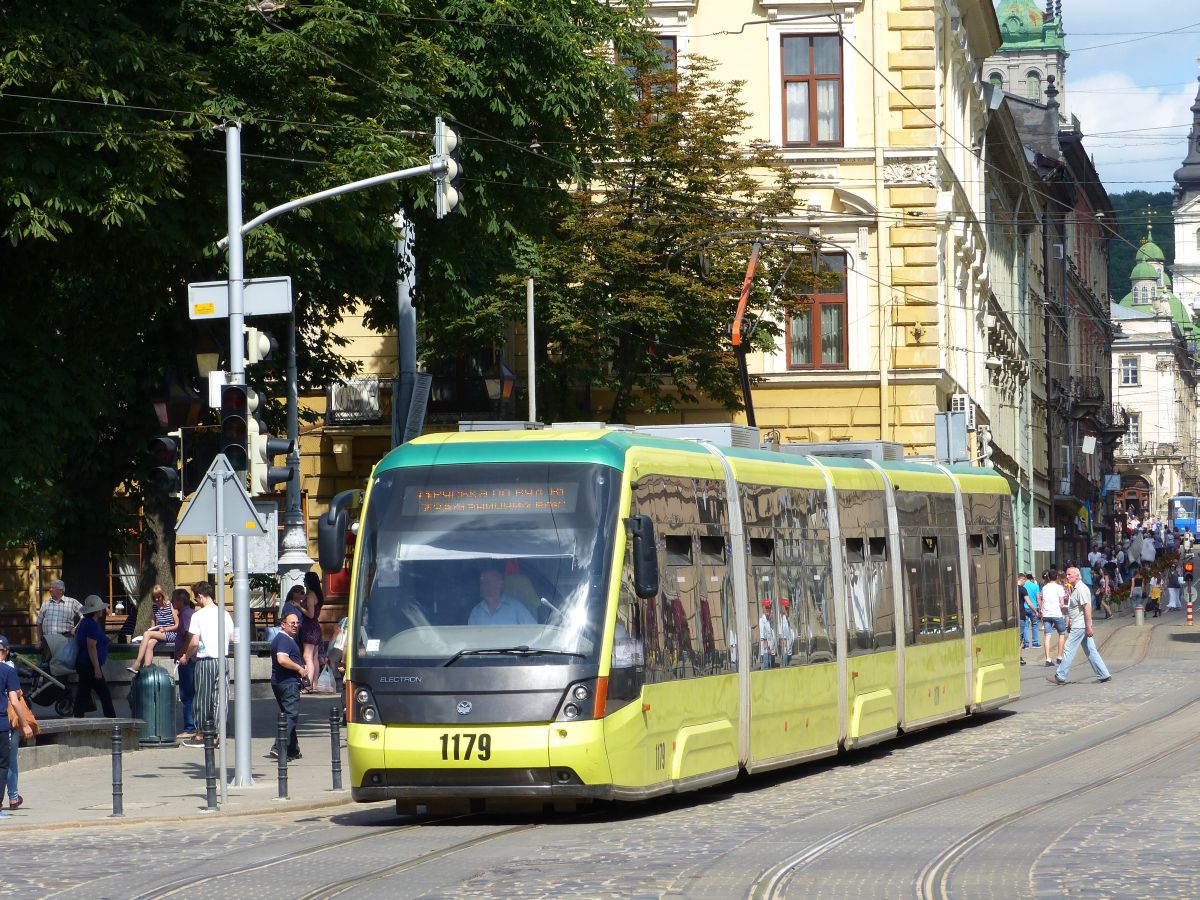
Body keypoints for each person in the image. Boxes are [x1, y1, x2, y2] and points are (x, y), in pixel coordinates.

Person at [178, 582, 235, 747]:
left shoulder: (198, 616)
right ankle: (219, 733)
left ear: (201, 596)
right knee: (220, 698)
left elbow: (194, 642)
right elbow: (232, 637)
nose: (196, 601)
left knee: (202, 698)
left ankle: (201, 734)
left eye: (196, 597)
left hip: (206, 660)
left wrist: (186, 657)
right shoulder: (224, 614)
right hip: (222, 660)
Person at [1051, 566, 1111, 685]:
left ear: (1077, 576)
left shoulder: (1081, 589)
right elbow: (1076, 609)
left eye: (1070, 575)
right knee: (1091, 650)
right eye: (1067, 574)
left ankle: (1060, 675)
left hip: (1080, 625)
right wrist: (1070, 623)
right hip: (1078, 624)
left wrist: (1089, 626)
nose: (1067, 577)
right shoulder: (1075, 589)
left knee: (1068, 648)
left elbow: (1086, 608)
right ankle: (1104, 674)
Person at [0, 636, 33, 812]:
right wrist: (24, 723)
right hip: (8, 721)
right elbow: (15, 696)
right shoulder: (9, 668)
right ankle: (13, 797)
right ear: (6, 651)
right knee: (9, 761)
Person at [267, 611, 305, 761]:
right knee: (291, 715)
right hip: (287, 683)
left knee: (288, 714)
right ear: (283, 625)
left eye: (297, 623)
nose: (295, 626)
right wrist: (299, 668)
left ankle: (292, 749)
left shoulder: (285, 639)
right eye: (292, 623)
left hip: (281, 682)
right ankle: (278, 748)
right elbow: (282, 659)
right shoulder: (284, 639)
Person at [73, 595, 117, 718]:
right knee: (104, 694)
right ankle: (112, 719)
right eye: (101, 608)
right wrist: (97, 667)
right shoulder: (92, 625)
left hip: (83, 662)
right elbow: (91, 646)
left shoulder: (84, 622)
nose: (103, 610)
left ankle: (77, 717)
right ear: (97, 611)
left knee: (83, 692)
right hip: (90, 664)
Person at [127, 584, 179, 676]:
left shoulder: (170, 606)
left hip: (171, 633)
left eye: (159, 597)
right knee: (150, 643)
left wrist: (165, 629)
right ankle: (147, 669)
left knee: (146, 634)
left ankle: (137, 663)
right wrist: (153, 629)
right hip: (159, 632)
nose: (157, 600)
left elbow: (177, 625)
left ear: (163, 595)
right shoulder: (154, 607)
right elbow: (153, 623)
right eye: (155, 598)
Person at [468, 561, 536, 626]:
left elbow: (534, 631)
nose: (483, 585)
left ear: (499, 584)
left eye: (487, 582)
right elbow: (470, 637)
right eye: (482, 582)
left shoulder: (516, 608)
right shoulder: (476, 612)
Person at [171, 588, 197, 739]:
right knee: (190, 693)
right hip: (189, 659)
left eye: (174, 600)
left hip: (187, 661)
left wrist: (182, 653)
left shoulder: (186, 614)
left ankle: (190, 727)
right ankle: (192, 725)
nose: (172, 603)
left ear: (181, 601)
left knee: (187, 694)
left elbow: (190, 636)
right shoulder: (186, 614)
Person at [35, 579, 82, 663]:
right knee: (47, 665)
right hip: (48, 641)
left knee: (64, 665)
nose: (50, 589)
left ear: (60, 591)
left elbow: (85, 615)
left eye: (53, 588)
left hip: (65, 640)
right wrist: (38, 640)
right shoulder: (45, 604)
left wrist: (76, 628)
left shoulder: (72, 602)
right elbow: (39, 623)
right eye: (50, 587)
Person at [299, 572, 325, 693]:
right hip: (315, 627)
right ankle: (314, 684)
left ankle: (308, 685)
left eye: (305, 580)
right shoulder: (317, 594)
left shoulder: (310, 595)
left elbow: (310, 614)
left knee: (307, 657)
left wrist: (299, 607)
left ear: (309, 581)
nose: (303, 582)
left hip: (309, 627)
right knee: (314, 657)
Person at [1039, 569, 1067, 668]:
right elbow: (1062, 603)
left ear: (1048, 577)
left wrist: (1042, 610)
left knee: (1047, 636)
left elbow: (1042, 600)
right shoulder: (1059, 588)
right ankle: (1059, 657)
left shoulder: (1044, 588)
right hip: (1057, 614)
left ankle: (1048, 659)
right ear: (1057, 578)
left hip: (1046, 614)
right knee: (1062, 634)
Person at [1017, 574, 1040, 650]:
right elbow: (1030, 601)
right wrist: (1036, 611)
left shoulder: (1013, 588)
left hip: (1017, 613)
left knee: (1025, 627)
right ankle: (1035, 642)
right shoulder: (1024, 588)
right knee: (1035, 625)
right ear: (1022, 579)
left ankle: (1026, 644)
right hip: (1026, 610)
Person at [758, 599, 775, 669]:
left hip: (771, 649)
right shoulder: (762, 620)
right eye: (767, 607)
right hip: (766, 651)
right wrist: (767, 646)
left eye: (769, 607)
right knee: (766, 668)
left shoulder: (769, 621)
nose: (768, 609)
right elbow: (763, 634)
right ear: (763, 608)